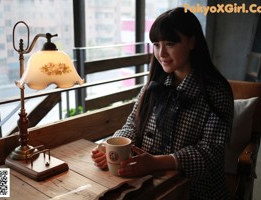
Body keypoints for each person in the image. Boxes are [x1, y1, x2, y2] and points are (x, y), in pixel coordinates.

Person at [91, 7, 234, 200]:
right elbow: (131, 126)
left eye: (170, 43)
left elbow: (210, 153)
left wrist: (156, 163)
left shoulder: (216, 91)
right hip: (148, 182)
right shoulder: (154, 85)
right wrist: (112, 147)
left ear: (192, 42)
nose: (161, 53)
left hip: (196, 190)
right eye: (156, 45)